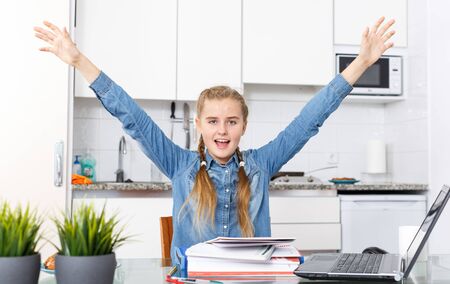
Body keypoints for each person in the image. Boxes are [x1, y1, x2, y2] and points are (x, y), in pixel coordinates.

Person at [34, 17, 395, 264]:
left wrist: (361, 62)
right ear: (199, 124)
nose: (222, 130)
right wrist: (79, 60)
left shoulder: (260, 164)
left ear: (244, 127)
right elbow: (131, 115)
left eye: (231, 121)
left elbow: (309, 119)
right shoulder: (179, 164)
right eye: (213, 121)